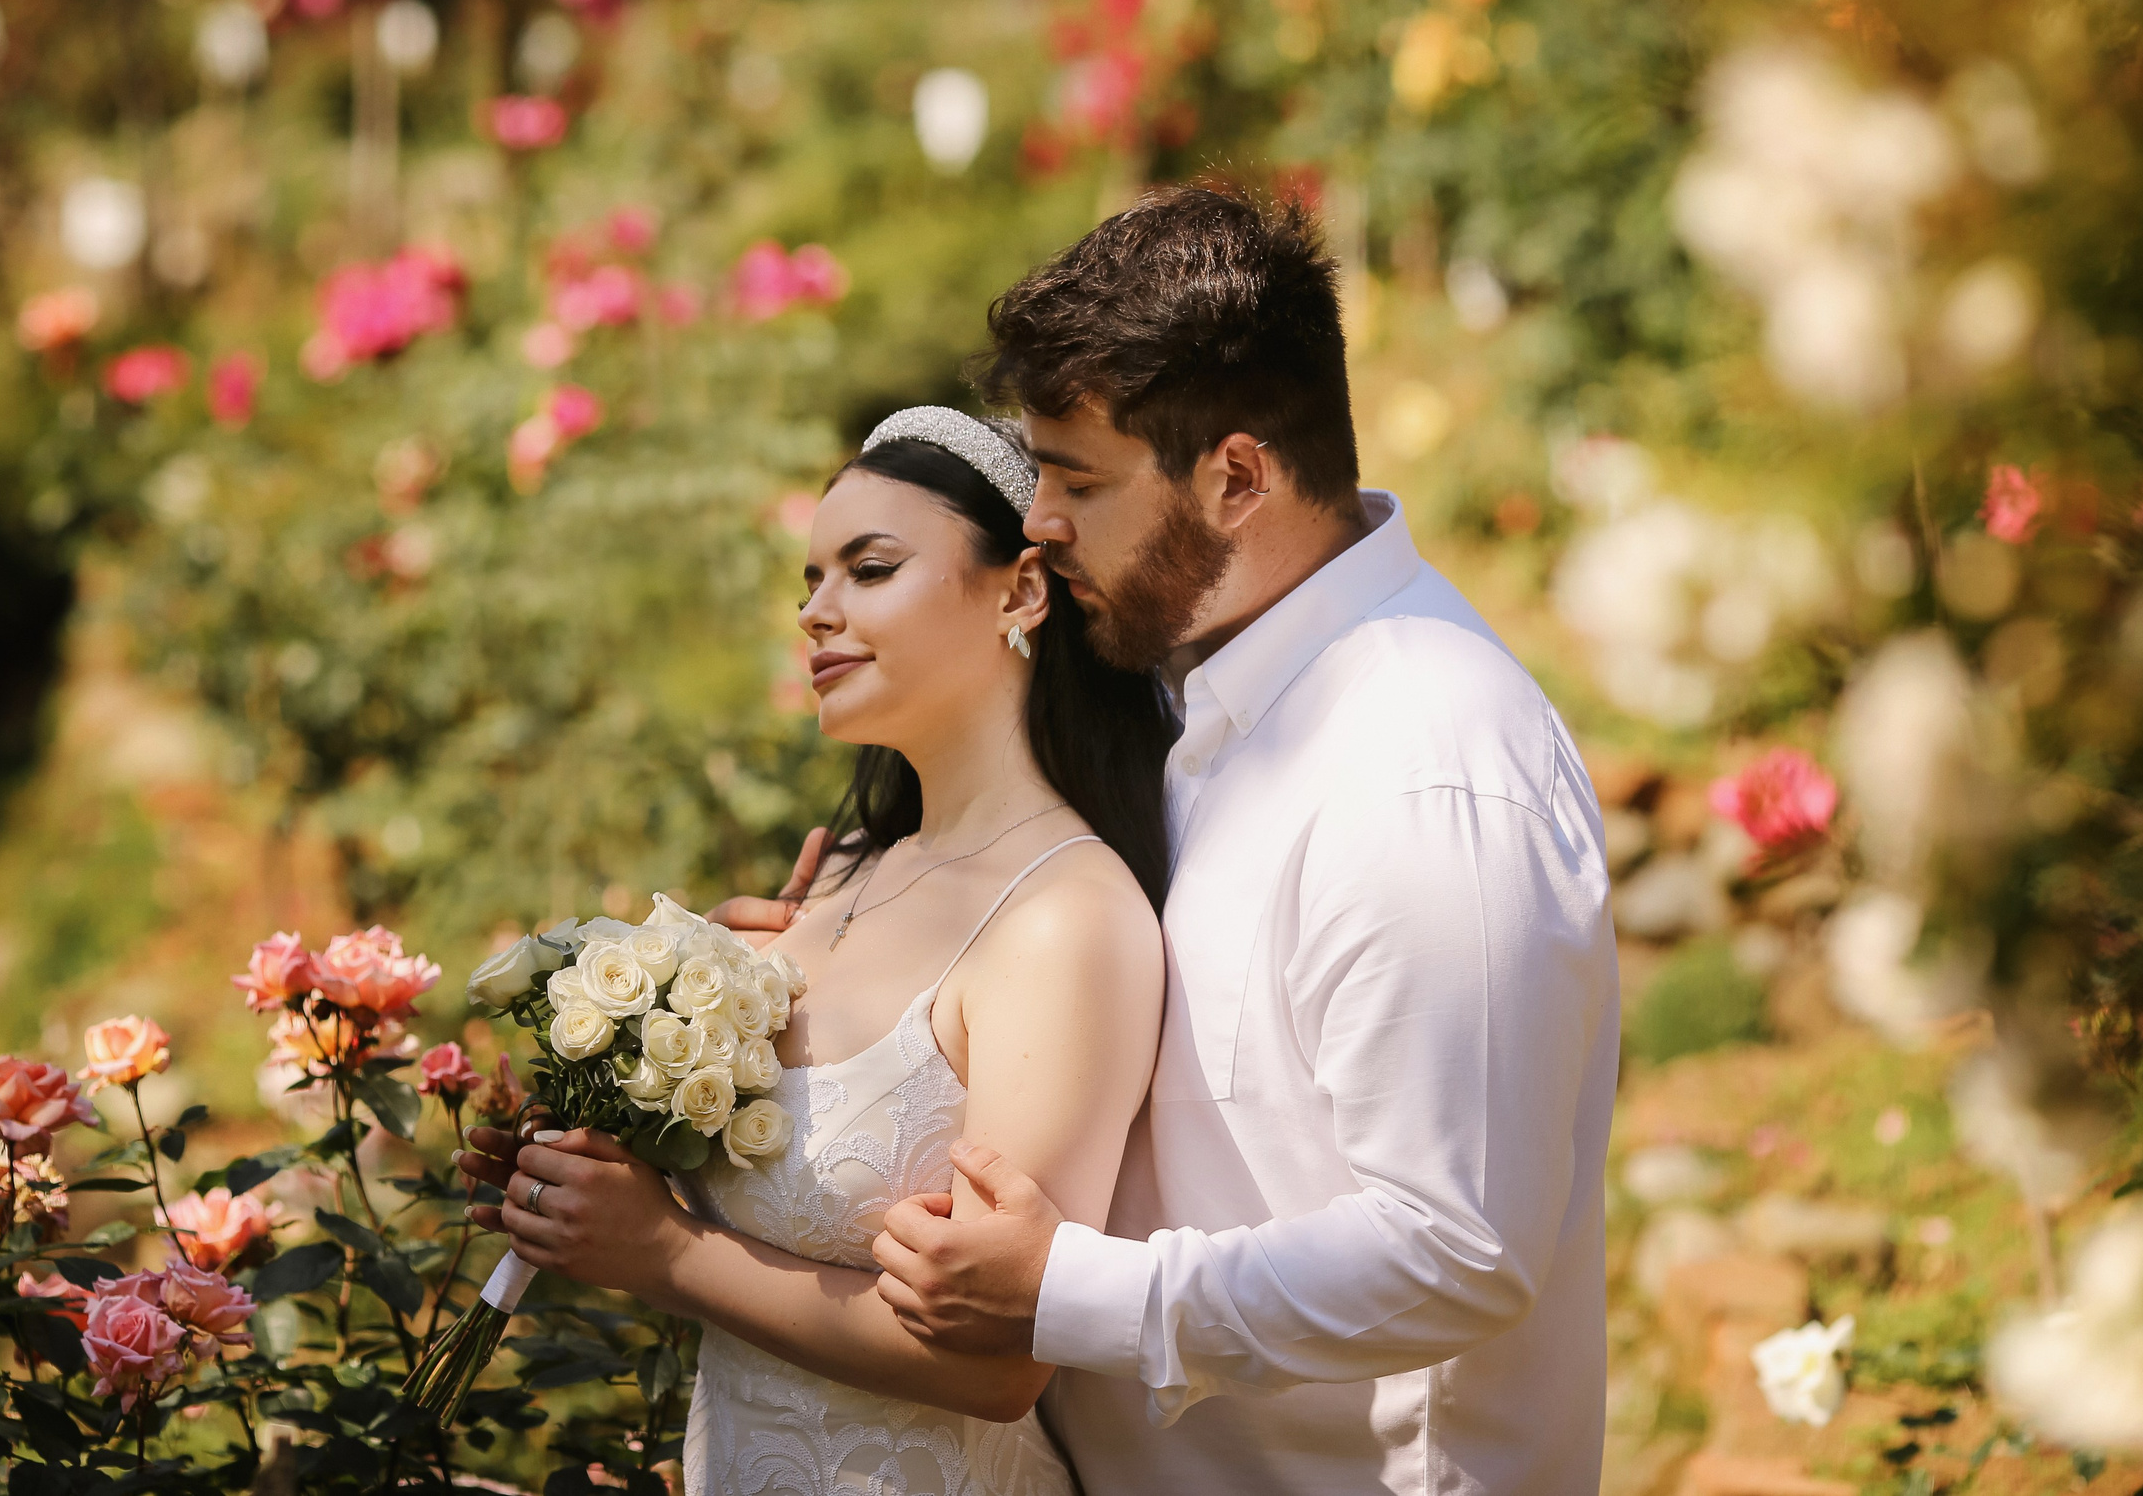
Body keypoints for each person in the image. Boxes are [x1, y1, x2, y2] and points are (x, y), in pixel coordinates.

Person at [859, 187, 1618, 1491]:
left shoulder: (1421, 774)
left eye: (1079, 479)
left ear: (1237, 475)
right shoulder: (1191, 674)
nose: (1038, 519)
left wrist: (1077, 1289)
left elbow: (1458, 1246)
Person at [457, 406, 1178, 1496]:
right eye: (809, 582)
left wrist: (663, 1255)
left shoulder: (1062, 921)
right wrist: (600, 1152)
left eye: (869, 569)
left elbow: (1003, 1362)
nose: (816, 612)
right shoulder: (839, 877)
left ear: (1021, 592)